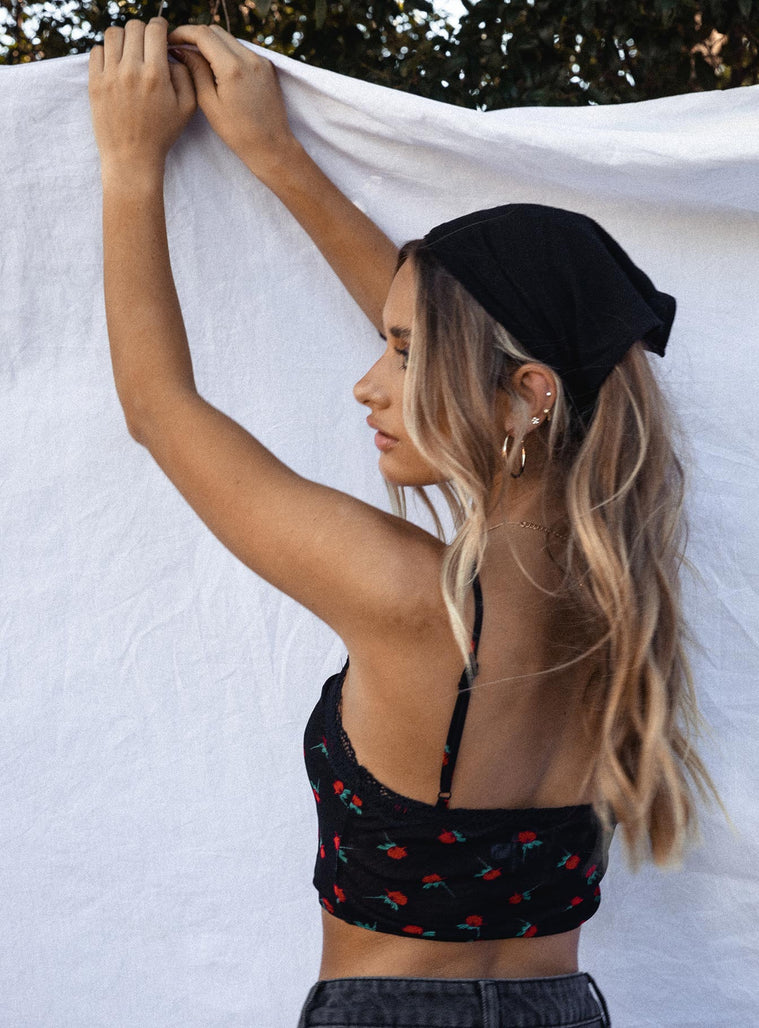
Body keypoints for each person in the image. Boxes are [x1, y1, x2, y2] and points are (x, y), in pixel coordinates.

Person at [88, 19, 717, 1027]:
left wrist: (128, 163)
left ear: (529, 396)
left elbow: (159, 409)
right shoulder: (615, 593)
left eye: (405, 354)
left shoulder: (408, 592)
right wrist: (279, 158)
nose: (368, 383)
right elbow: (480, 353)